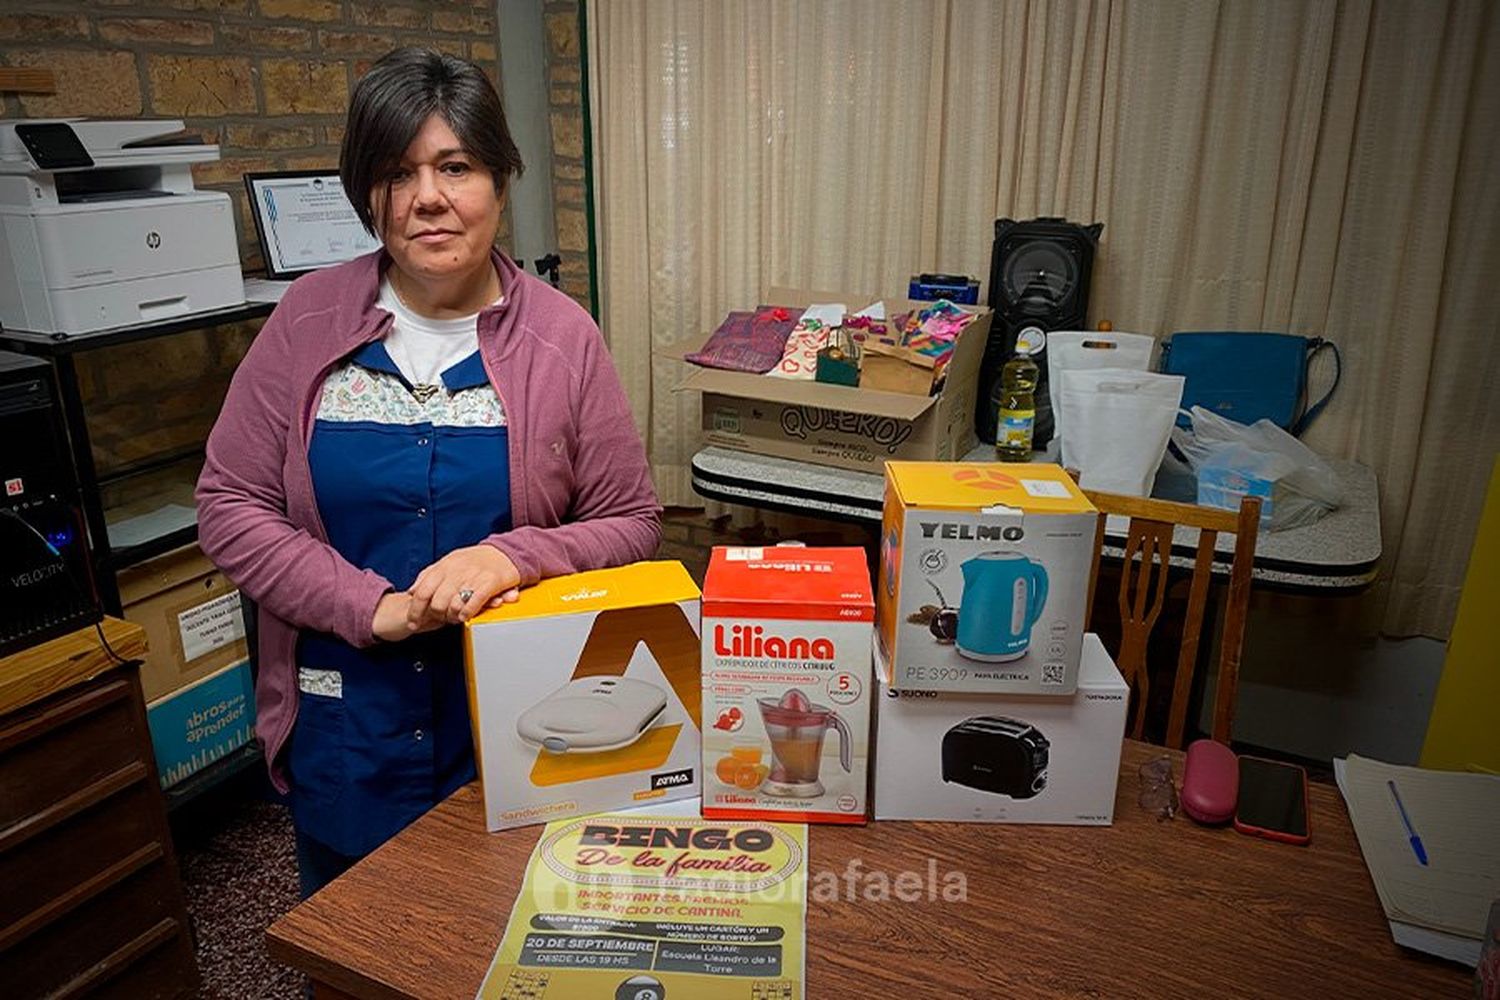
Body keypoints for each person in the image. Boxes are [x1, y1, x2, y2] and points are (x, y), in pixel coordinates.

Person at [196, 47, 661, 898]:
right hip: (347, 713)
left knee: (515, 922)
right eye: (395, 173)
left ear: (500, 178)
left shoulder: (563, 338)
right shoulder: (307, 322)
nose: (428, 199)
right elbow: (230, 503)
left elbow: (632, 519)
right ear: (365, 192)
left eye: (455, 166)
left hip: (523, 713)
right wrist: (366, 606)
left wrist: (512, 557)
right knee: (357, 934)